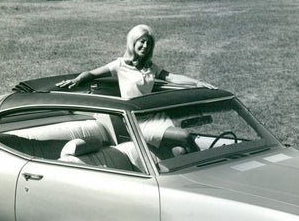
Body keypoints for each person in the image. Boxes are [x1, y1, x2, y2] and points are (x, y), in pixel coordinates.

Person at [56, 24, 214, 151]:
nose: (145, 46)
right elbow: (92, 73)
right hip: (136, 122)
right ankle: (206, 165)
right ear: (133, 42)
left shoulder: (150, 66)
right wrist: (76, 80)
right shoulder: (120, 64)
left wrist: (197, 82)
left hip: (156, 115)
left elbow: (171, 77)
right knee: (184, 136)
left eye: (148, 43)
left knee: (179, 150)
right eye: (142, 41)